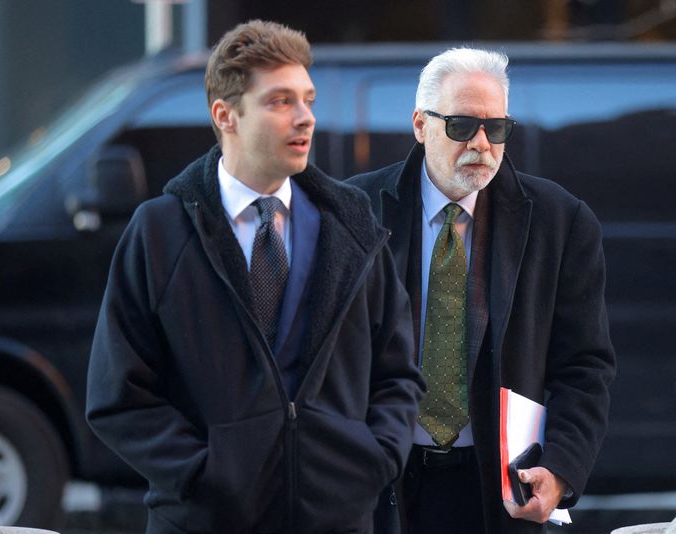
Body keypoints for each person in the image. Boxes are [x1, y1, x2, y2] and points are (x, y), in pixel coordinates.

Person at [86, 20, 424, 534]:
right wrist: (205, 475)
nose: (305, 117)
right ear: (226, 116)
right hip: (205, 521)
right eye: (280, 101)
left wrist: (372, 459)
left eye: (307, 99)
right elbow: (118, 395)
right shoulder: (161, 232)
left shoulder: (351, 225)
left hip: (337, 520)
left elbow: (398, 372)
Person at [348, 47, 616, 534]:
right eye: (461, 126)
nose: (481, 144)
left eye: (495, 129)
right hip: (379, 489)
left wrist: (560, 468)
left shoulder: (560, 221)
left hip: (498, 494)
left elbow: (584, 366)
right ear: (419, 125)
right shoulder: (353, 213)